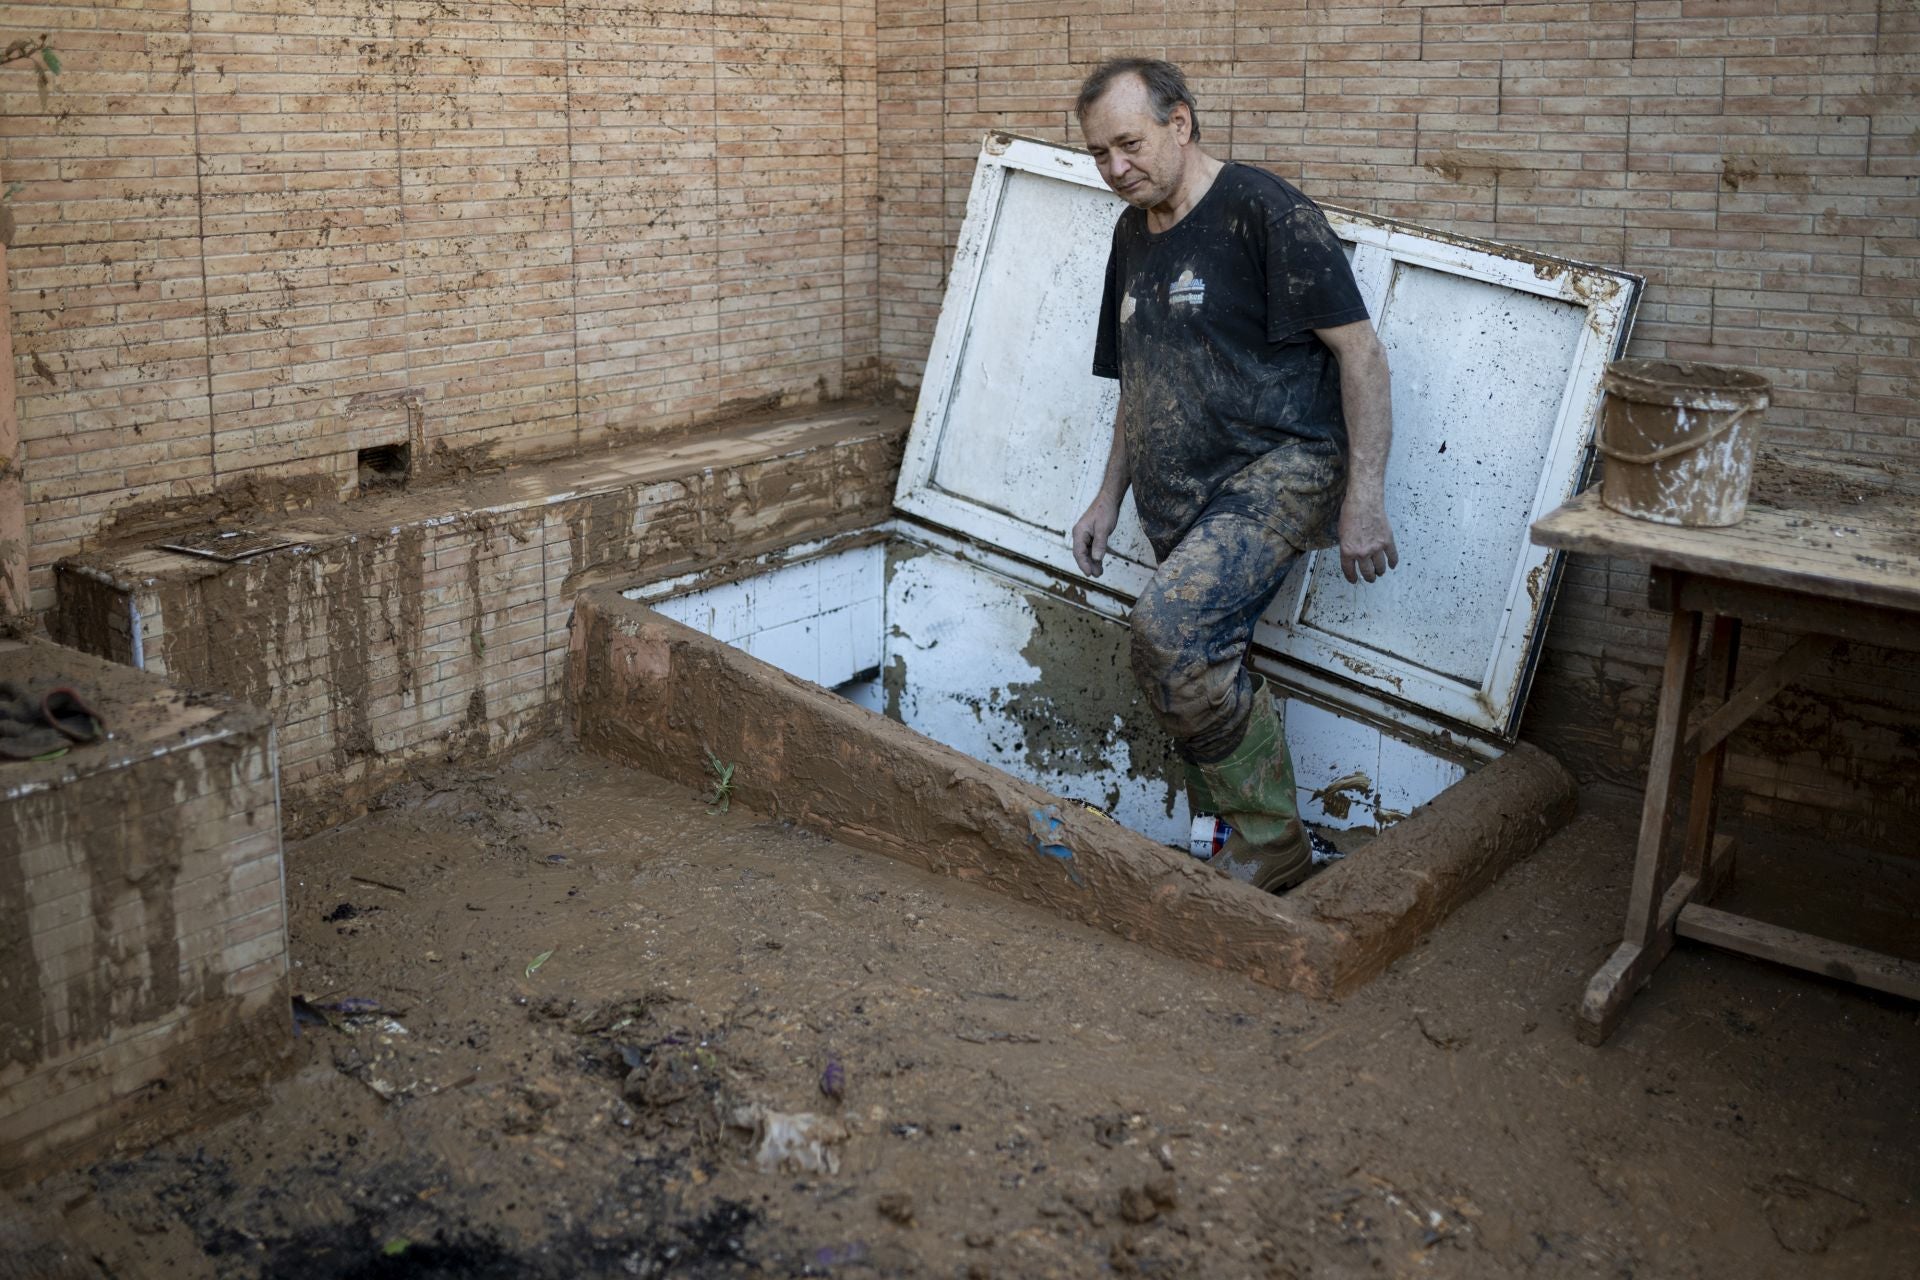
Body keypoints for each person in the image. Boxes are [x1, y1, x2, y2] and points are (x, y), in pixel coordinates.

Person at [1069, 57, 1398, 893]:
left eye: (1129, 144)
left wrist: (1363, 500)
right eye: (1100, 155)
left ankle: (1274, 848)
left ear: (1180, 123)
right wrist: (1109, 496)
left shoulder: (1265, 210)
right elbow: (1139, 382)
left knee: (1169, 633)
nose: (1116, 169)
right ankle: (1231, 840)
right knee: (1188, 659)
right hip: (1184, 493)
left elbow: (1359, 353)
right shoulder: (1130, 234)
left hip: (1279, 469)